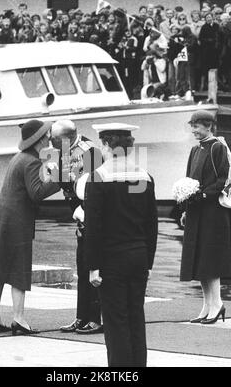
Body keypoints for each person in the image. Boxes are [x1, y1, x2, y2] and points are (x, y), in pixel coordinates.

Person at [84, 123, 158, 367]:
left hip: (111, 259)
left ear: (105, 145)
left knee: (116, 321)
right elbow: (151, 225)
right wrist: (148, 260)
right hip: (138, 256)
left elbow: (93, 227)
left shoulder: (99, 177)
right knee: (136, 316)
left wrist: (92, 265)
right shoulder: (143, 176)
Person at [0, 120, 60, 335]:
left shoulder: (20, 158)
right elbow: (36, 193)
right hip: (16, 220)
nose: (49, 137)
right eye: (46, 135)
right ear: (40, 139)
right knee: (18, 268)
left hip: (1, 215)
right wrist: (60, 180)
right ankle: (18, 319)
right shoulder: (32, 162)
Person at [180, 110, 231, 324]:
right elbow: (190, 180)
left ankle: (217, 305)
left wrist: (203, 194)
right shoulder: (195, 149)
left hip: (214, 212)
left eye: (197, 126)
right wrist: (187, 208)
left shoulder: (217, 147)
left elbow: (225, 179)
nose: (194, 130)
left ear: (208, 126)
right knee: (200, 260)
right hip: (197, 210)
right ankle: (207, 305)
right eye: (192, 126)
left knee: (210, 259)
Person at [50, 120, 103, 335]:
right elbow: (69, 186)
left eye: (53, 138)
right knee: (82, 267)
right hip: (78, 213)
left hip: (91, 213)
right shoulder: (62, 151)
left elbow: (96, 186)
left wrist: (84, 207)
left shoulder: (90, 152)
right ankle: (81, 316)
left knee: (93, 266)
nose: (49, 141)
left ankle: (95, 318)